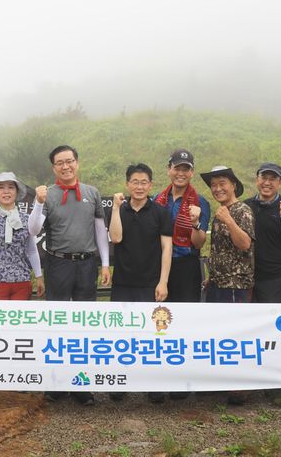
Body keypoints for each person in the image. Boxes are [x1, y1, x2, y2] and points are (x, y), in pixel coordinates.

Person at [29, 145, 110, 406]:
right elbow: (33, 229)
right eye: (60, 163)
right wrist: (39, 204)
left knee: (85, 325)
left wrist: (106, 264)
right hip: (58, 264)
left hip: (86, 265)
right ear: (54, 167)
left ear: (77, 163)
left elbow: (100, 232)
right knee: (57, 324)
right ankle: (55, 383)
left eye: (70, 161)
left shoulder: (92, 193)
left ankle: (81, 384)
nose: (66, 166)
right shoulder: (46, 195)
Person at [108, 163, 172, 404]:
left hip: (150, 283)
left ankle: (153, 385)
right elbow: (116, 237)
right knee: (121, 335)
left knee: (153, 336)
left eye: (144, 182)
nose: (139, 186)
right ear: (127, 184)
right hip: (123, 282)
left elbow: (167, 248)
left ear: (150, 185)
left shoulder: (160, 212)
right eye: (134, 181)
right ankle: (120, 383)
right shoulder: (119, 210)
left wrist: (163, 281)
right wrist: (115, 208)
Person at [0, 172, 44, 300]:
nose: (6, 191)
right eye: (1, 187)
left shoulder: (26, 218)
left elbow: (32, 250)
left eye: (11, 187)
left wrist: (39, 276)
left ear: (17, 192)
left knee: (18, 320)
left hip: (22, 280)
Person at [154, 149, 210, 303]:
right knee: (159, 316)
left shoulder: (200, 202)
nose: (181, 173)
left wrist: (195, 223)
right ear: (168, 170)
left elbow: (199, 243)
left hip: (186, 267)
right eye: (177, 168)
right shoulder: (157, 199)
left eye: (186, 169)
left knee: (185, 318)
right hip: (158, 265)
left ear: (192, 173)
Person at [243, 163, 281, 303]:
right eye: (263, 178)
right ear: (257, 180)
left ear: (280, 183)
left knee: (272, 321)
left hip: (274, 278)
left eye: (272, 179)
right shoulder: (246, 206)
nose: (267, 183)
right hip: (246, 276)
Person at [200, 166, 255, 303]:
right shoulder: (221, 212)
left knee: (235, 325)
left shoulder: (243, 210)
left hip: (235, 286)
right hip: (216, 285)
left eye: (222, 183)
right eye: (213, 185)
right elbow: (221, 251)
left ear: (233, 185)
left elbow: (244, 244)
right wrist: (211, 277)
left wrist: (229, 221)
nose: (217, 188)